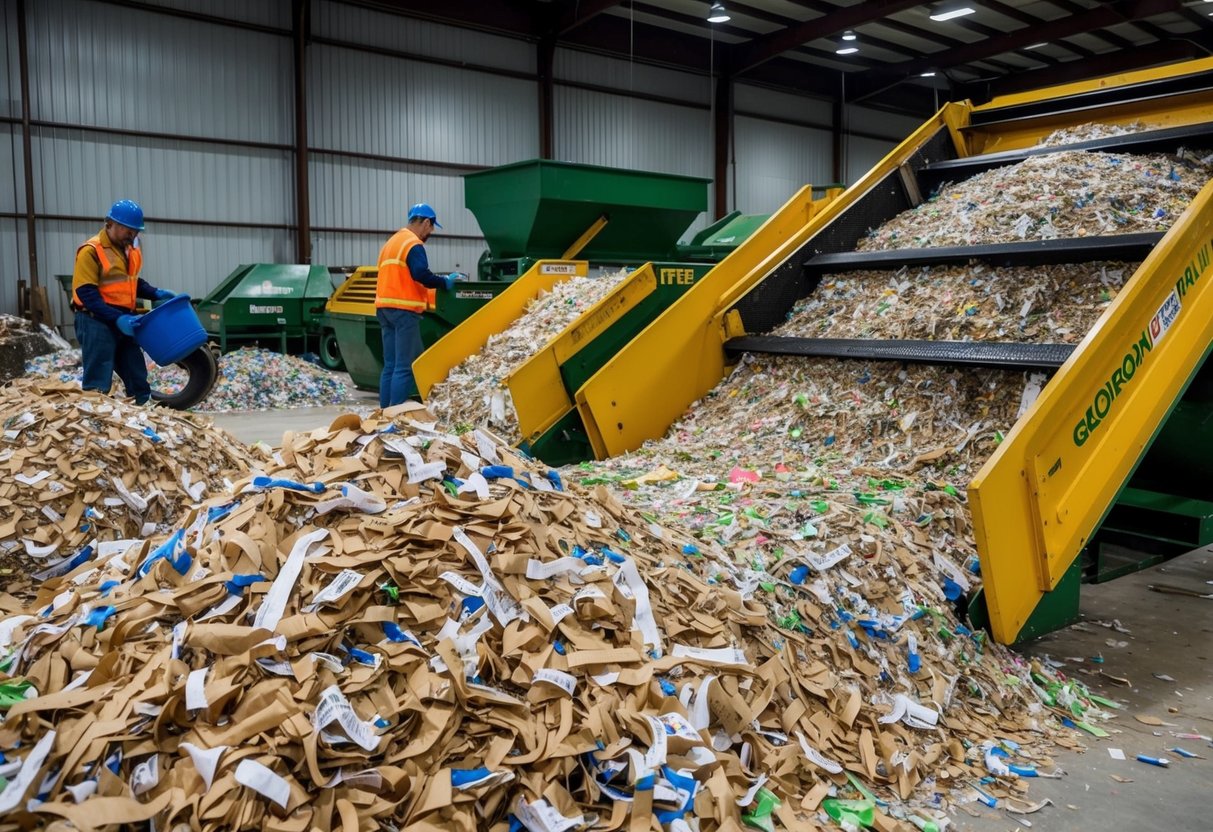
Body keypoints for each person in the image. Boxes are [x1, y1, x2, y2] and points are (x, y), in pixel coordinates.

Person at [71, 199, 176, 405]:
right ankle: (95, 412)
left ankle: (142, 405)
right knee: (99, 371)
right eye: (129, 231)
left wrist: (156, 293)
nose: (134, 235)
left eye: (136, 231)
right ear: (111, 224)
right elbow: (87, 294)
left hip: (123, 319)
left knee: (134, 366)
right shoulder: (92, 250)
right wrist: (117, 318)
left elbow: (131, 282)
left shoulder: (129, 250)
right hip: (95, 320)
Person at [375, 202, 457, 408]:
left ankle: (384, 413)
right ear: (426, 223)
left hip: (384, 308)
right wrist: (444, 281)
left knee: (390, 365)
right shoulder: (413, 244)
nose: (429, 233)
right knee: (404, 367)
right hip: (404, 310)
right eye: (430, 228)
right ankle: (396, 415)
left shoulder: (391, 243)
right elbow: (421, 274)